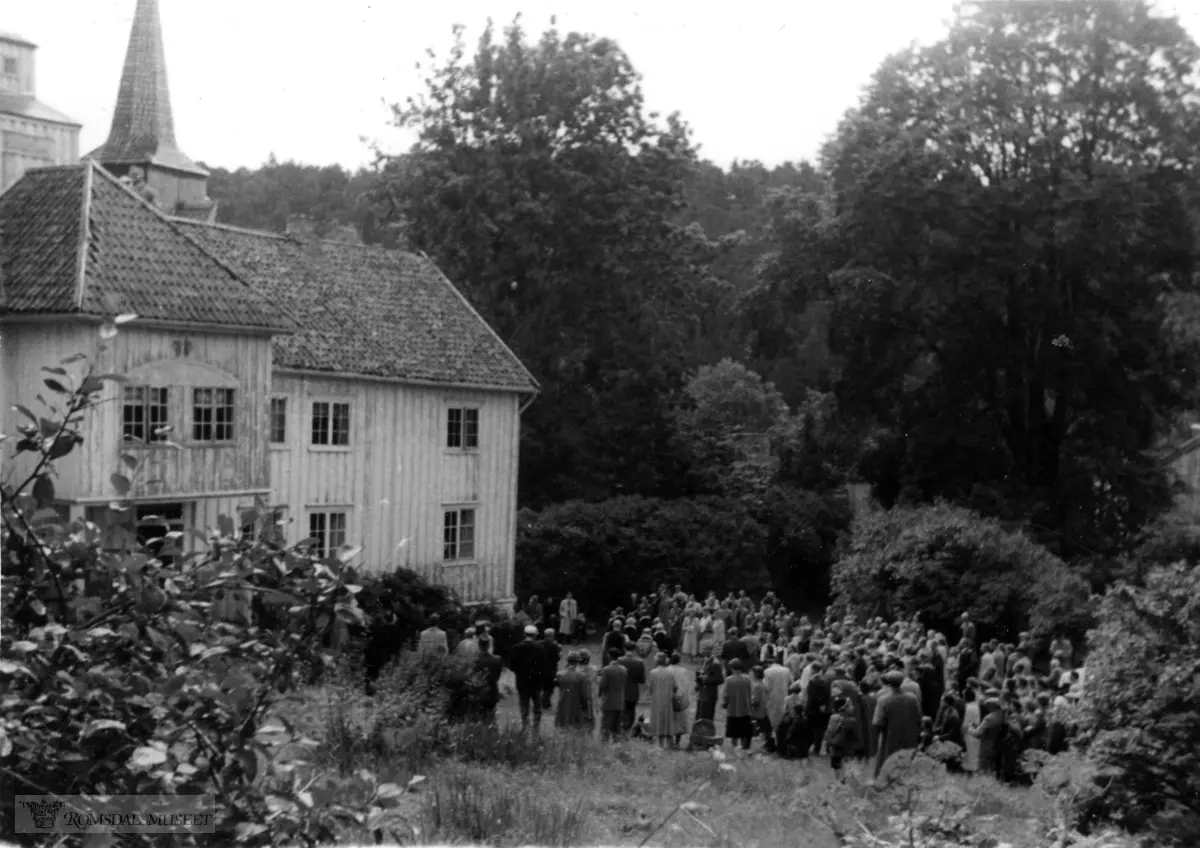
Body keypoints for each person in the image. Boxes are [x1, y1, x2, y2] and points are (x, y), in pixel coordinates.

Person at [873, 670, 922, 779]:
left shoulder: (883, 700)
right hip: (909, 736)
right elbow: (919, 717)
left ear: (888, 683)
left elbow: (877, 722)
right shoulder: (912, 698)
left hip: (891, 738)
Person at [509, 625, 546, 730]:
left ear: (524, 634)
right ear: (534, 636)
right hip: (536, 682)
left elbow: (512, 666)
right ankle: (536, 726)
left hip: (522, 681)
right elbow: (543, 666)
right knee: (537, 706)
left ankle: (525, 725)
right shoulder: (540, 648)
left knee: (524, 705)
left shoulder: (516, 648)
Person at [824, 694, 861, 783]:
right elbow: (856, 737)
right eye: (850, 705)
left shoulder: (833, 718)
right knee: (846, 767)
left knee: (836, 768)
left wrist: (827, 745)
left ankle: (837, 784)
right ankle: (844, 783)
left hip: (835, 748)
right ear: (844, 708)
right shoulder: (851, 721)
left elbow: (829, 733)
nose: (853, 707)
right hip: (847, 750)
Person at [554, 652, 593, 731]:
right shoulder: (582, 676)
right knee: (575, 730)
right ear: (578, 662)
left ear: (567, 661)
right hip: (576, 707)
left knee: (563, 730)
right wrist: (587, 711)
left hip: (562, 706)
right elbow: (585, 696)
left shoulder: (559, 675)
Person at [722, 659, 754, 751]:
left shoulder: (729, 680)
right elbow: (751, 692)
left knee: (733, 731)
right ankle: (744, 747)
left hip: (733, 709)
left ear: (732, 668)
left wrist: (725, 703)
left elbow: (726, 695)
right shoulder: (747, 679)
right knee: (745, 731)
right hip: (746, 709)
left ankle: (734, 746)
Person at [648, 653, 678, 748]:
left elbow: (650, 688)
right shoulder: (670, 673)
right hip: (668, 700)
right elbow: (675, 687)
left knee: (658, 720)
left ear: (656, 661)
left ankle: (660, 744)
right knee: (668, 720)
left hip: (657, 700)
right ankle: (669, 744)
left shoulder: (653, 673)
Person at [598, 650, 628, 742]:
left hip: (609, 701)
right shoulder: (624, 669)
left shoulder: (606, 669)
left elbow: (602, 685)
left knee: (605, 728)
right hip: (620, 701)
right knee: (617, 728)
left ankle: (604, 747)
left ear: (609, 656)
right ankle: (617, 746)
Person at [617, 643, 647, 735]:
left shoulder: (619, 660)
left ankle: (621, 730)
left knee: (621, 712)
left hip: (620, 691)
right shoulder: (639, 662)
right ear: (634, 650)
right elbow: (642, 680)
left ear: (624, 649)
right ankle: (628, 730)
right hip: (633, 692)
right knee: (631, 712)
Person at [475, 635, 503, 723]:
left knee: (480, 715)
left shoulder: (476, 660)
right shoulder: (497, 659)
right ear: (488, 645)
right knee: (491, 715)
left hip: (479, 690)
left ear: (479, 645)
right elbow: (498, 676)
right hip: (492, 689)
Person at [667, 652, 691, 748]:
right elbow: (686, 685)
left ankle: (670, 742)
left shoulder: (667, 670)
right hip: (681, 698)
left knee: (669, 719)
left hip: (669, 698)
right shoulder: (684, 671)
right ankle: (677, 742)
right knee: (680, 721)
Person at [695, 651, 725, 721]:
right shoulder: (704, 660)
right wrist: (697, 683)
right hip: (701, 694)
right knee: (699, 717)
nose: (702, 651)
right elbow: (701, 673)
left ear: (709, 649)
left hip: (709, 695)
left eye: (704, 649)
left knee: (706, 718)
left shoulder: (715, 663)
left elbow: (720, 680)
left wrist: (706, 679)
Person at [540, 628, 562, 711]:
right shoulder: (554, 645)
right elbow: (557, 658)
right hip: (551, 670)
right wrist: (560, 654)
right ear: (552, 635)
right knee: (549, 688)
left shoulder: (539, 643)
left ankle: (545, 701)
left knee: (543, 687)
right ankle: (545, 702)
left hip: (540, 669)